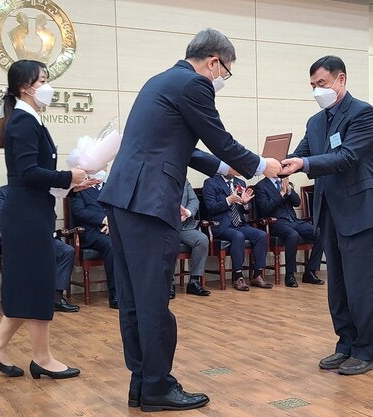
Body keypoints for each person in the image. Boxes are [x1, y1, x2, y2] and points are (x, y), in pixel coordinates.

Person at [98, 29, 282, 412]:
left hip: (123, 199)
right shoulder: (195, 85)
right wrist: (262, 166)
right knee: (153, 300)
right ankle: (159, 386)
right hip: (149, 203)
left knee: (133, 299)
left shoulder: (161, 80)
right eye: (225, 72)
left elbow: (178, 142)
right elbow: (218, 136)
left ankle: (142, 383)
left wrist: (222, 165)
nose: (222, 79)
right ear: (214, 62)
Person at [0, 59, 90, 380]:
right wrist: (69, 174)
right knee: (38, 284)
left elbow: (34, 175)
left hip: (32, 212)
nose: (48, 86)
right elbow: (28, 174)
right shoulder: (23, 123)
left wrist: (72, 183)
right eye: (43, 80)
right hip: (26, 216)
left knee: (30, 284)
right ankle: (41, 357)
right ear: (24, 87)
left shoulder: (27, 120)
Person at [280, 55, 373, 375]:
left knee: (360, 286)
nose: (317, 91)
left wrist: (304, 165)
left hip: (359, 212)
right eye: (312, 86)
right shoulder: (315, 122)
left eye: (322, 84)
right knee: (337, 286)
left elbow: (346, 156)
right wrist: (275, 165)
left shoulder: (363, 114)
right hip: (328, 213)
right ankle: (346, 345)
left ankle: (366, 351)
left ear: (341, 80)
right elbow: (302, 154)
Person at [0, 185, 80, 312]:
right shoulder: (0, 192)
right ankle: (18, 301)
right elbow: (2, 217)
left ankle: (56, 298)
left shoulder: (39, 191)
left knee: (67, 251)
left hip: (42, 238)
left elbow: (51, 215)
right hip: (17, 240)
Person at [202, 173, 272, 291]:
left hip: (240, 224)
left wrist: (245, 204)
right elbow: (211, 208)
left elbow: (246, 210)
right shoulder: (210, 182)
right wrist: (229, 200)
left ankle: (257, 275)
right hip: (221, 226)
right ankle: (238, 276)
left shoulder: (240, 183)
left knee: (261, 235)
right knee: (238, 236)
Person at [253, 177, 325, 287]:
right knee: (293, 235)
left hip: (294, 220)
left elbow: (297, 203)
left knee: (319, 232)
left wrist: (289, 191)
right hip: (276, 222)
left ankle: (310, 271)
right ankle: (290, 274)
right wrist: (281, 194)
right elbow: (265, 209)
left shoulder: (286, 182)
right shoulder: (261, 186)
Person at [69, 172, 118, 309]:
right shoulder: (79, 189)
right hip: (90, 232)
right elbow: (79, 211)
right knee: (111, 245)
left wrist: (111, 222)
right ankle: (116, 295)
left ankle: (135, 293)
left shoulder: (111, 187)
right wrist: (103, 220)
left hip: (112, 229)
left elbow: (118, 208)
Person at [179, 179, 210, 296]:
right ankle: (168, 283)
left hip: (185, 226)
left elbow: (193, 200)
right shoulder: (156, 179)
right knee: (169, 243)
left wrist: (187, 212)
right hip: (165, 227)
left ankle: (194, 282)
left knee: (201, 239)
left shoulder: (184, 181)